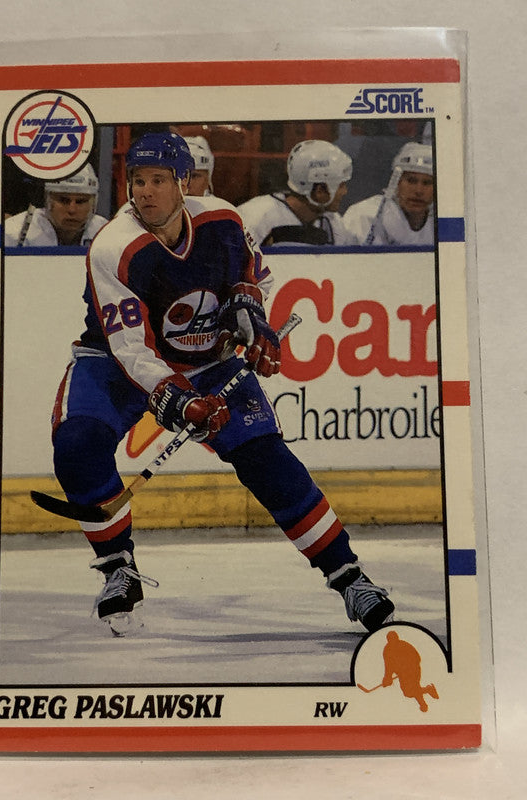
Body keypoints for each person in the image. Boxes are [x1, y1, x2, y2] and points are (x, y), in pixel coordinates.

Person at [50, 131, 394, 637]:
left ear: (183, 182)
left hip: (208, 359)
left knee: (268, 461)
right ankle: (117, 567)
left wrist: (250, 318)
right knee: (77, 444)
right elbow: (131, 349)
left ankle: (350, 577)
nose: (145, 192)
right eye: (138, 180)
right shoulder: (115, 246)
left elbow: (255, 277)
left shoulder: (222, 219)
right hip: (115, 364)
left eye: (158, 180)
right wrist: (177, 400)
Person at [237, 139, 357, 247]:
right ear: (319, 190)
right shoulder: (256, 217)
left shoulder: (334, 223)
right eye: (341, 185)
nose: (345, 191)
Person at [343, 143, 434, 246]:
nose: (419, 190)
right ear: (397, 182)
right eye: (411, 181)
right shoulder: (365, 215)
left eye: (427, 183)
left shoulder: (439, 220)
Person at [4, 163, 107, 248]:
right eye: (64, 200)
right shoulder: (14, 233)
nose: (72, 210)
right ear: (48, 202)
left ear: (93, 204)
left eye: (80, 201)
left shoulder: (105, 233)